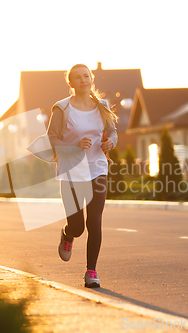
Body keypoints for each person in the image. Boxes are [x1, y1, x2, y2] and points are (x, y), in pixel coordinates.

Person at [46, 64, 118, 288]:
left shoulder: (102, 106)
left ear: (91, 79)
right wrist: (75, 144)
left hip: (97, 169)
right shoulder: (62, 108)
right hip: (71, 172)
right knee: (78, 227)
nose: (83, 80)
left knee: (94, 221)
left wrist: (110, 142)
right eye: (77, 78)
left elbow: (113, 131)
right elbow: (52, 139)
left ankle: (91, 271)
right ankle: (68, 235)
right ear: (71, 83)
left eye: (86, 76)